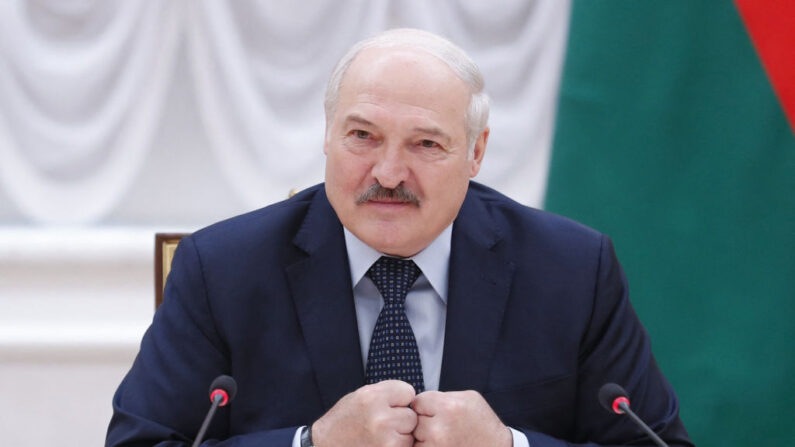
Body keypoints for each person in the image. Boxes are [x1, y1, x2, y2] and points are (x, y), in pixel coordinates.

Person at [107, 28, 693, 447]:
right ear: (327, 137)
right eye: (363, 135)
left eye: (425, 144)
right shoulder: (221, 268)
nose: (388, 174)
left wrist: (510, 446)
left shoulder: (571, 269)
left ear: (476, 153)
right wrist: (309, 445)